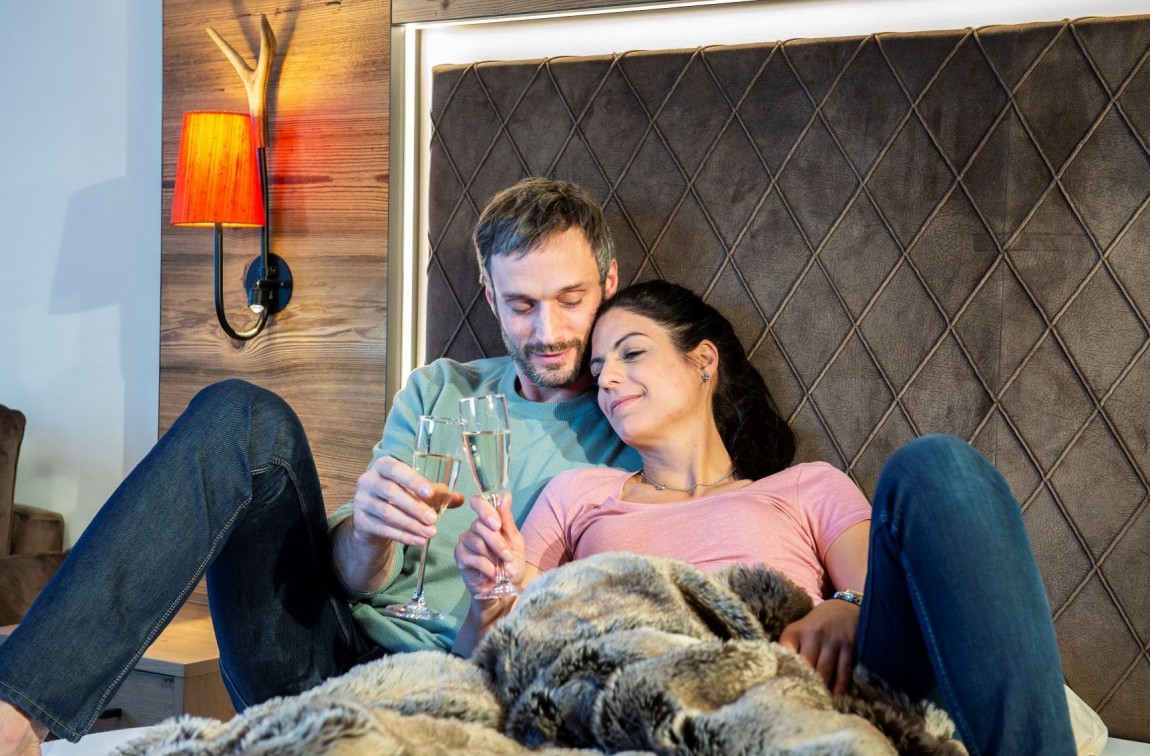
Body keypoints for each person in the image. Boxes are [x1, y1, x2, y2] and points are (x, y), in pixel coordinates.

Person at [0, 177, 641, 753]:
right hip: (318, 658)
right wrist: (367, 534)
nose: (546, 332)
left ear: (609, 285)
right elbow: (356, 582)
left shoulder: (638, 422)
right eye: (522, 305)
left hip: (458, 687)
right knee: (239, 413)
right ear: (490, 295)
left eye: (570, 299)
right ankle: (15, 719)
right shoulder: (440, 389)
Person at [453, 280, 1077, 756]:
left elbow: (878, 594)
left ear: (703, 361)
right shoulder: (578, 493)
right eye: (597, 371)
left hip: (808, 676)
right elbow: (482, 658)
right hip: (643, 681)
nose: (608, 378)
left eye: (631, 353)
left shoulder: (806, 486)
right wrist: (490, 595)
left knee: (936, 465)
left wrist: (846, 604)